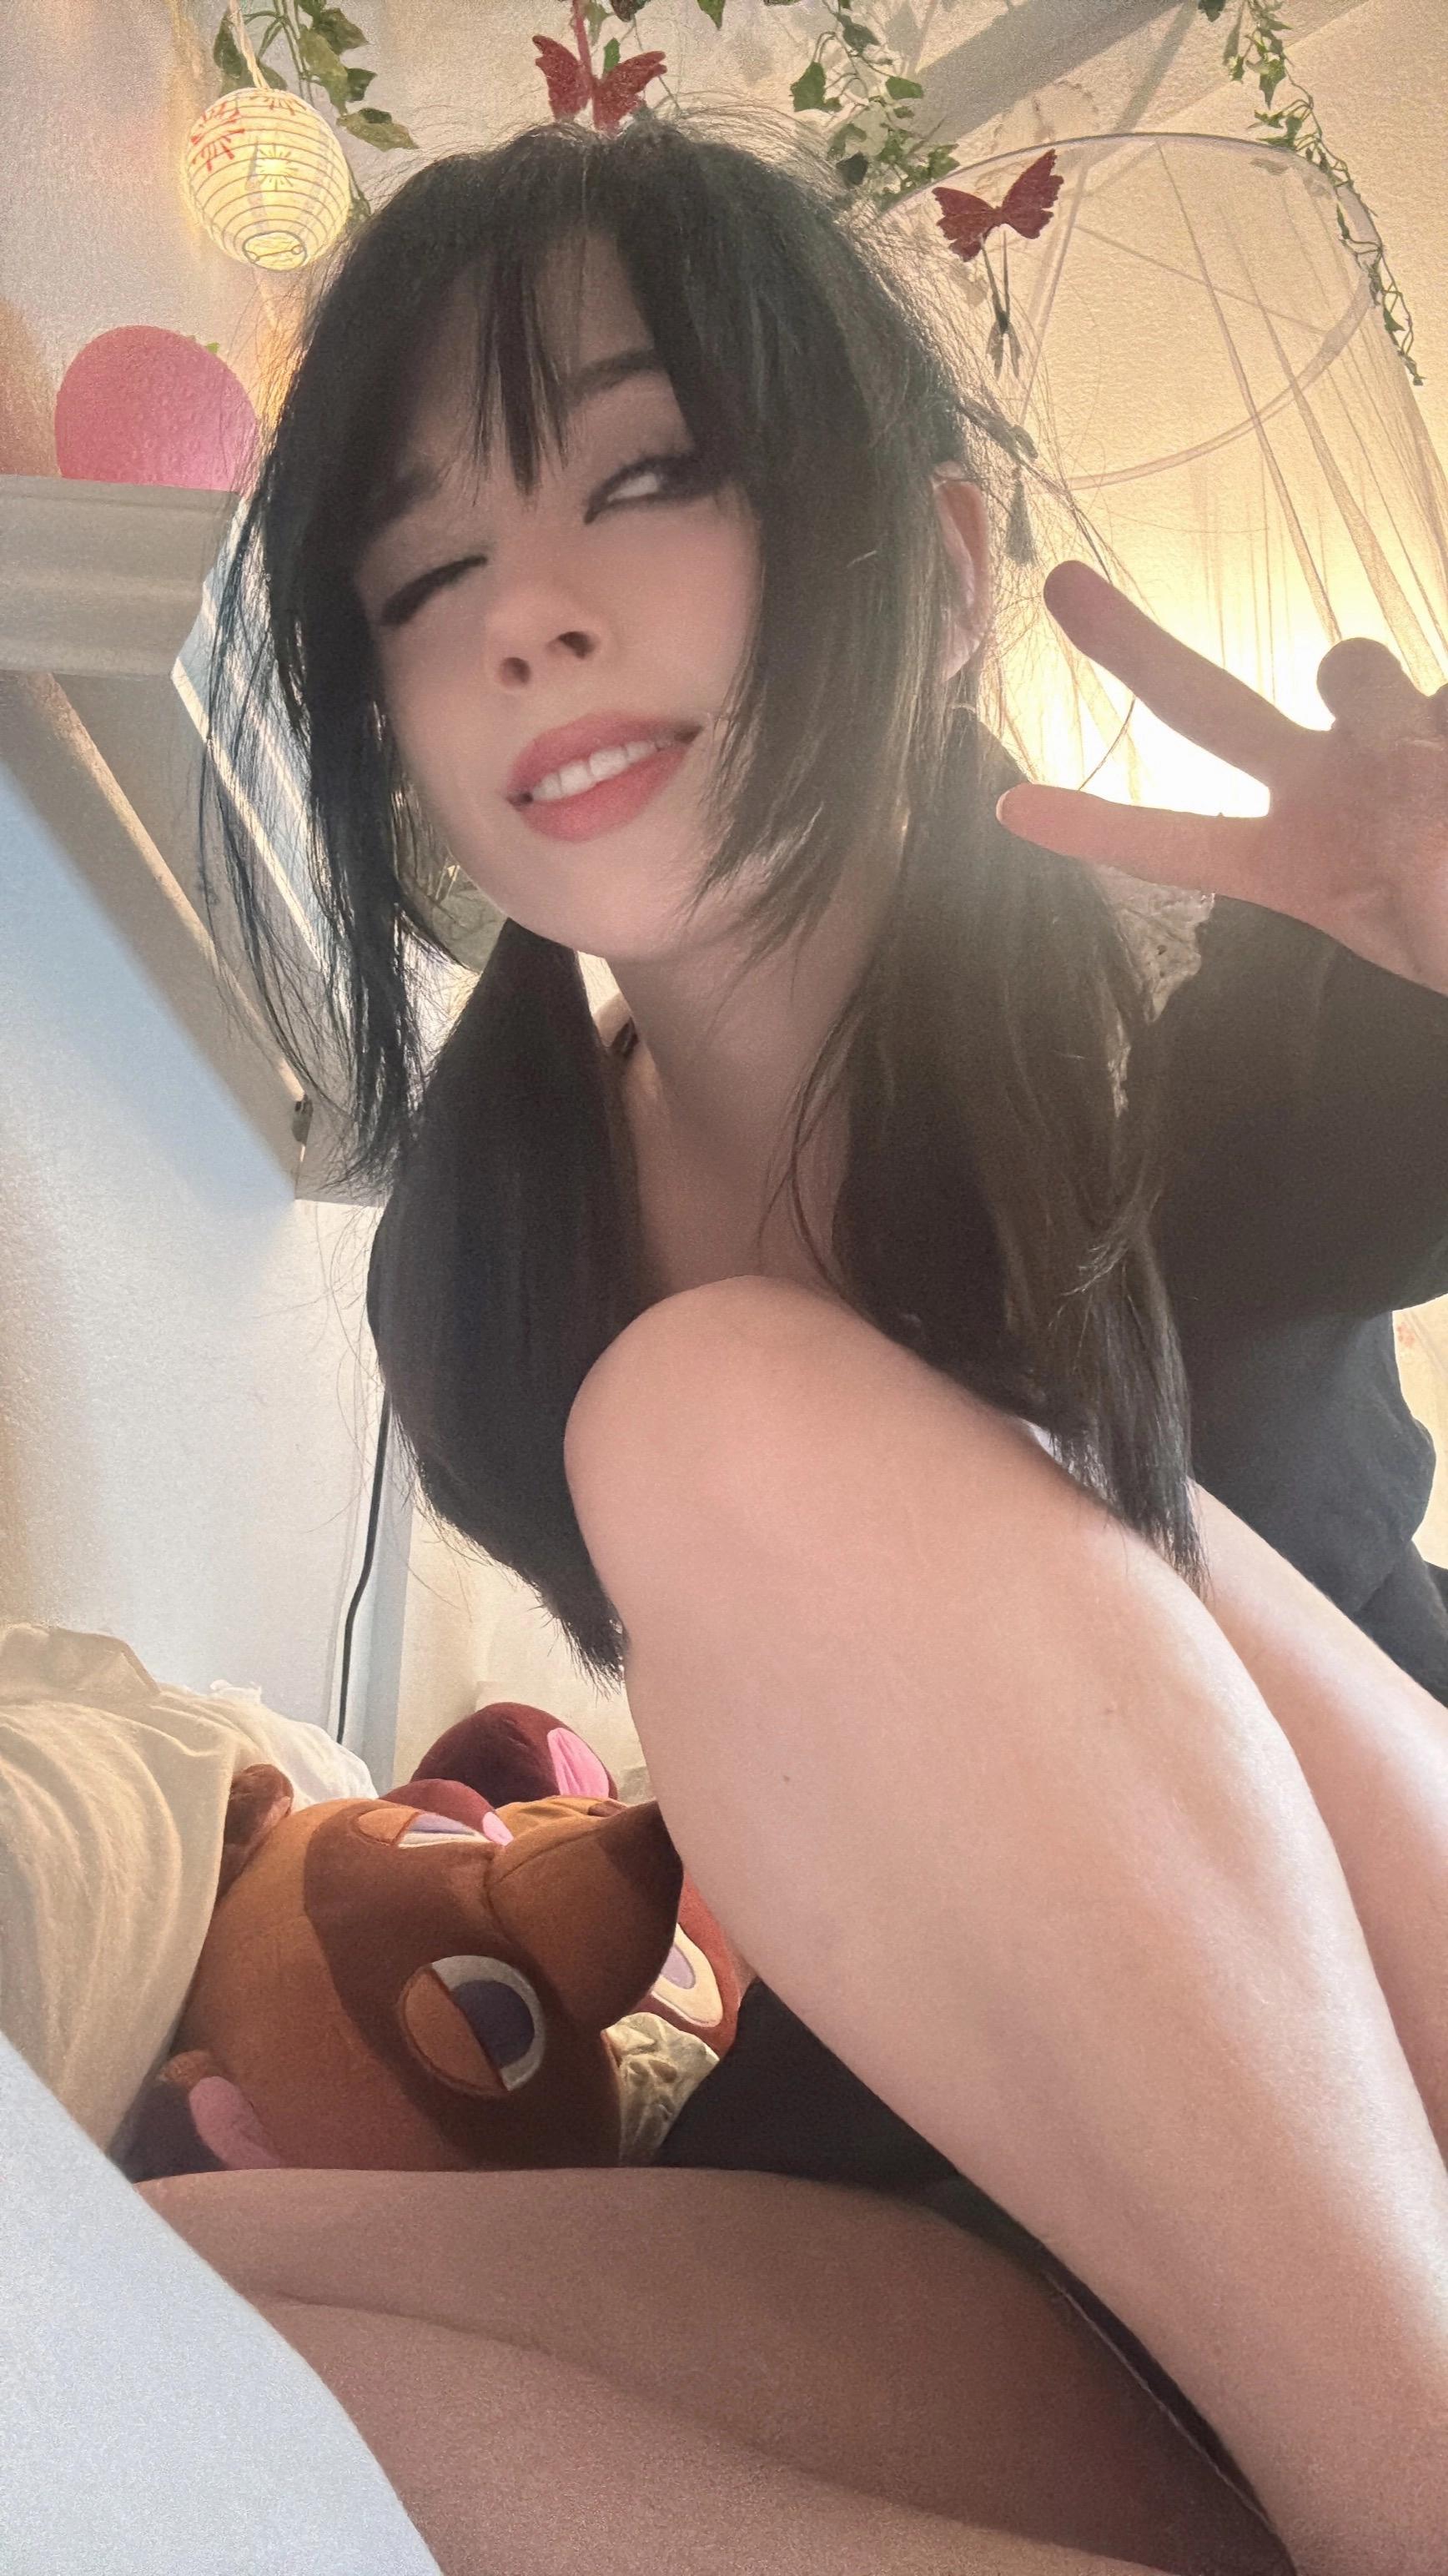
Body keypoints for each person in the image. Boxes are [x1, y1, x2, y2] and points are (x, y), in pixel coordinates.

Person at [200, 113, 1448, 2576]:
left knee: (722, 1415)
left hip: (1390, 2022)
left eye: (647, 476)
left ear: (944, 572)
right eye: (423, 574)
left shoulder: (1235, 1010)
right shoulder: (487, 1252)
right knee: (145, 2305)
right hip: (986, 2192)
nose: (521, 618)